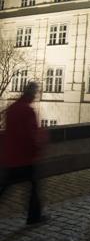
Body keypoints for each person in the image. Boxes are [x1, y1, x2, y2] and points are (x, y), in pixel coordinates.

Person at [0, 82, 47, 225]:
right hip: (25, 158)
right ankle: (34, 217)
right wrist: (38, 148)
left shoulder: (12, 108)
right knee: (33, 188)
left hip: (11, 157)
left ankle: (34, 216)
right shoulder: (27, 110)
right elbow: (30, 135)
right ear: (31, 94)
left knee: (5, 188)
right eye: (35, 94)